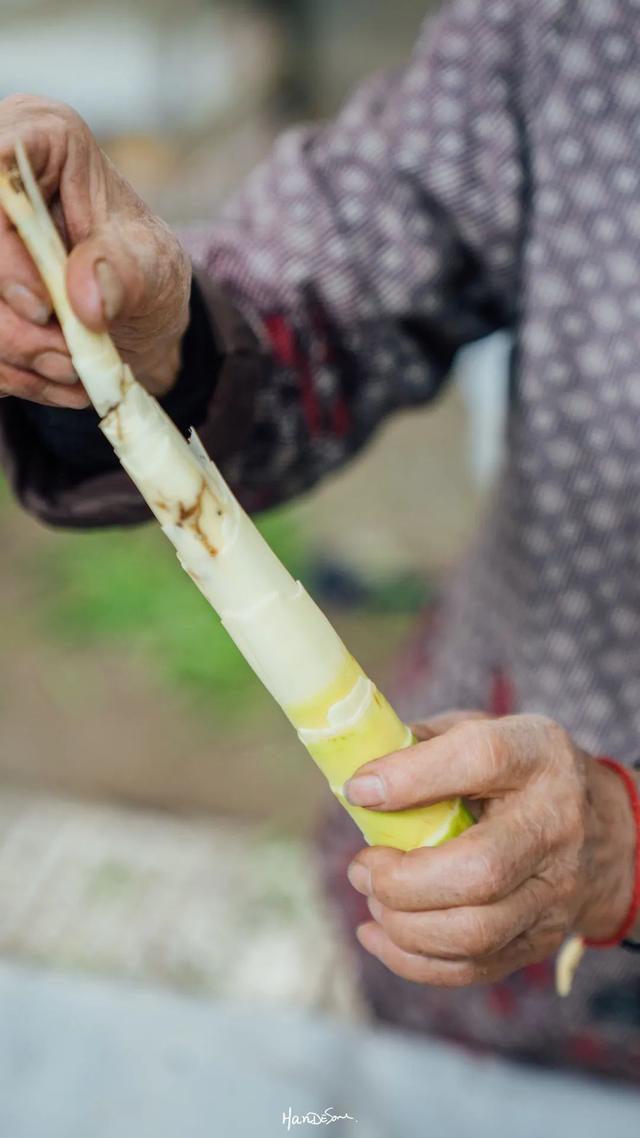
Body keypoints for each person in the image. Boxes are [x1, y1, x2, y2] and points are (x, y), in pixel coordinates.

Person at [1, 0, 640, 1083]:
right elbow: (362, 243)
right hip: (465, 947)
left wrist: (625, 846)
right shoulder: (585, 28)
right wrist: (160, 336)